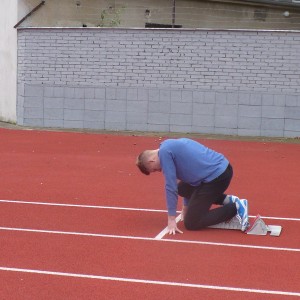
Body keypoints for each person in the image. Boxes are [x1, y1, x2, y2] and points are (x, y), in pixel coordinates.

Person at [136, 138, 249, 235]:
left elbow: (171, 187)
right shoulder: (168, 145)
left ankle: (236, 207)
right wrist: (185, 208)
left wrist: (171, 219)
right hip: (219, 172)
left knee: (192, 223)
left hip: (218, 177)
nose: (160, 170)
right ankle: (227, 200)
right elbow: (189, 180)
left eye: (155, 169)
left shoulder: (165, 154)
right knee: (182, 188)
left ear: (151, 161)